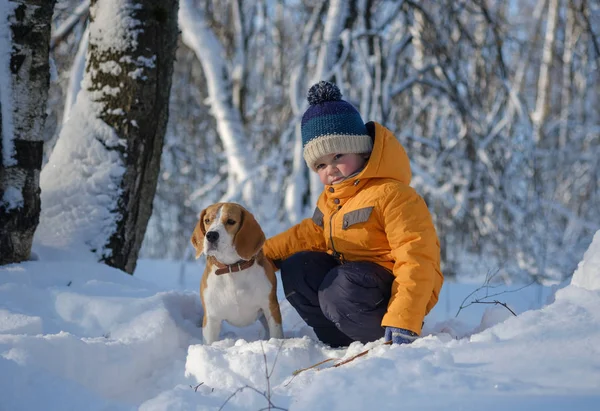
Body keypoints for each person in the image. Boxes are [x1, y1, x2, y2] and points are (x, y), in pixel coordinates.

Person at [263, 81, 443, 347]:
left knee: (340, 285)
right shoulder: (332, 199)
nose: (331, 169)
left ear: (361, 149)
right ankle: (340, 339)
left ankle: (387, 335)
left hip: (387, 298)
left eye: (338, 155)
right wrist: (260, 254)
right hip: (349, 297)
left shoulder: (393, 194)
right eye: (321, 164)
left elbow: (417, 257)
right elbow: (309, 235)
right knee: (297, 267)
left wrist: (404, 317)